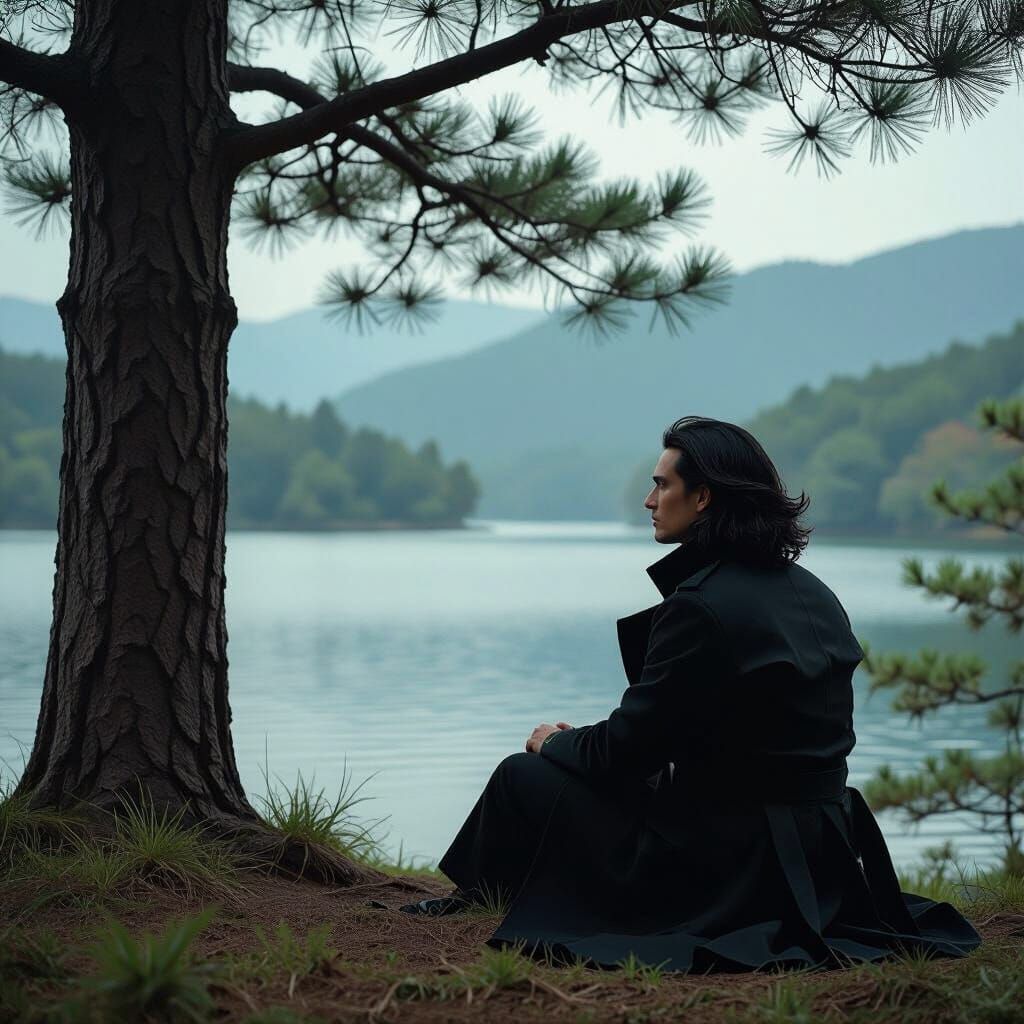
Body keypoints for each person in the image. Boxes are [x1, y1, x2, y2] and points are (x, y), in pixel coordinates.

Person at [399, 416, 982, 973]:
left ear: (702, 497)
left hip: (730, 859)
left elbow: (623, 752)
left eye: (662, 485)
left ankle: (483, 898)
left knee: (521, 774)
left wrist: (555, 743)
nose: (649, 500)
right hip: (819, 851)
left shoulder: (700, 606)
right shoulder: (815, 592)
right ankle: (495, 894)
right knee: (609, 773)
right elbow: (714, 737)